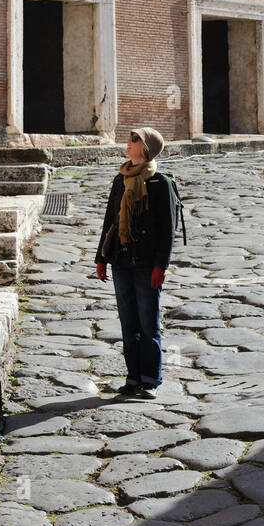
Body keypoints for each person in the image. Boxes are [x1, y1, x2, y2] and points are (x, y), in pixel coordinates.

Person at [95, 127, 174, 400]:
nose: (127, 143)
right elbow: (110, 221)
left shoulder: (160, 183)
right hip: (121, 261)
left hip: (146, 264)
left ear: (146, 147)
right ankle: (133, 378)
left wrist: (160, 266)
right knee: (128, 324)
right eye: (130, 139)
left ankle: (150, 379)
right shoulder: (120, 179)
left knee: (148, 324)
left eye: (134, 139)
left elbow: (167, 230)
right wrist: (101, 258)